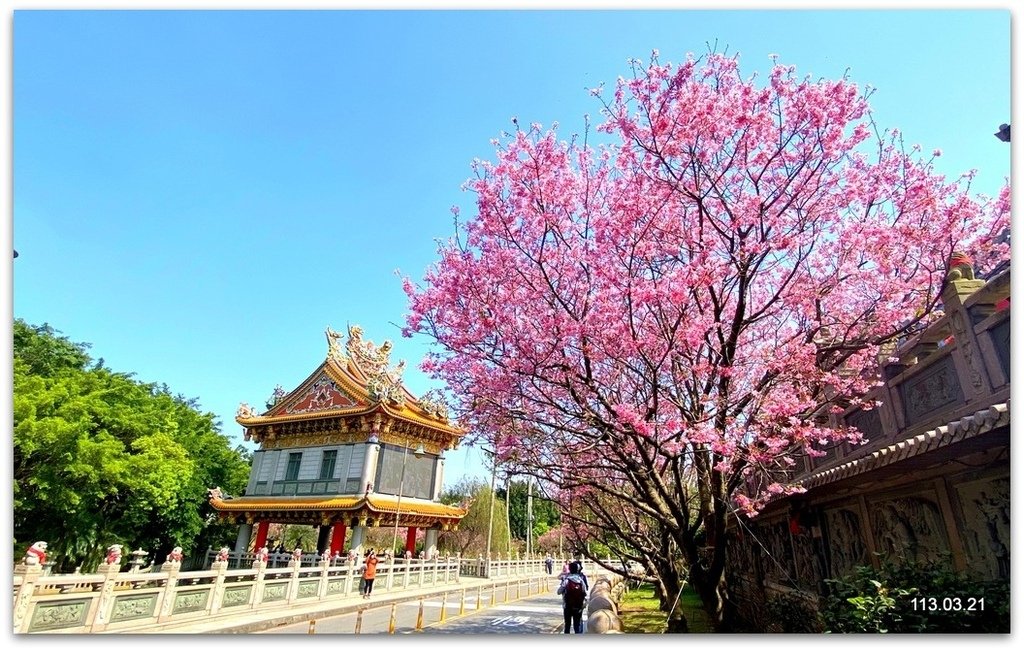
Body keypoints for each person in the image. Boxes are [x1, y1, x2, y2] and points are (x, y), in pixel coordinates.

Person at [557, 560, 589, 634]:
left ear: (570, 569)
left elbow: (559, 592)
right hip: (578, 606)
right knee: (577, 625)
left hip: (567, 606)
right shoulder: (581, 581)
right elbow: (585, 592)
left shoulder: (567, 580)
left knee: (567, 625)